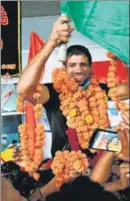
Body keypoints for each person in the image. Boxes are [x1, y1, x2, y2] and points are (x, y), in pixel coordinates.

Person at [17, 16, 109, 157]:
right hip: (65, 168)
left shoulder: (100, 90)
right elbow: (24, 89)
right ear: (65, 68)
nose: (78, 69)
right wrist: (52, 43)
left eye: (83, 64)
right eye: (72, 65)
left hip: (101, 163)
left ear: (90, 68)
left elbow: (124, 90)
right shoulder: (54, 91)